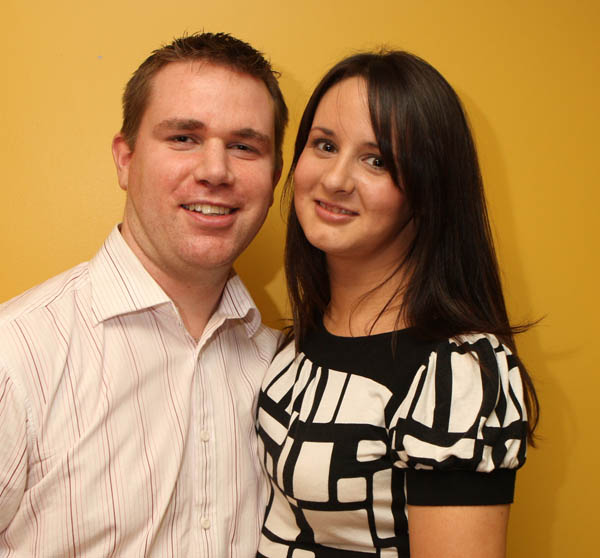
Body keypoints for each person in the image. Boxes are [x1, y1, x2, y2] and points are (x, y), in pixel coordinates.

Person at [0, 32, 288, 557]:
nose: (215, 171)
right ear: (125, 159)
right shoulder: (16, 356)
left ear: (274, 179)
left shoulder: (287, 371)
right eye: (183, 137)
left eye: (244, 146)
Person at [256, 50, 538, 557]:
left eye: (377, 160)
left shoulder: (454, 372)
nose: (336, 179)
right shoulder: (304, 333)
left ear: (428, 190)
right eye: (324, 145)